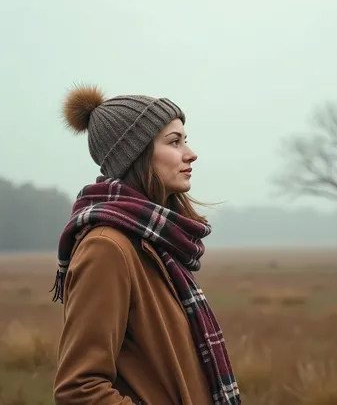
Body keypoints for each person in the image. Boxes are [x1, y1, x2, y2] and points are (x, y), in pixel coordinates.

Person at [50, 85, 241, 405]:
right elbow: (79, 388)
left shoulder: (155, 243)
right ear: (136, 155)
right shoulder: (107, 248)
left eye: (185, 139)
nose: (190, 153)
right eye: (174, 142)